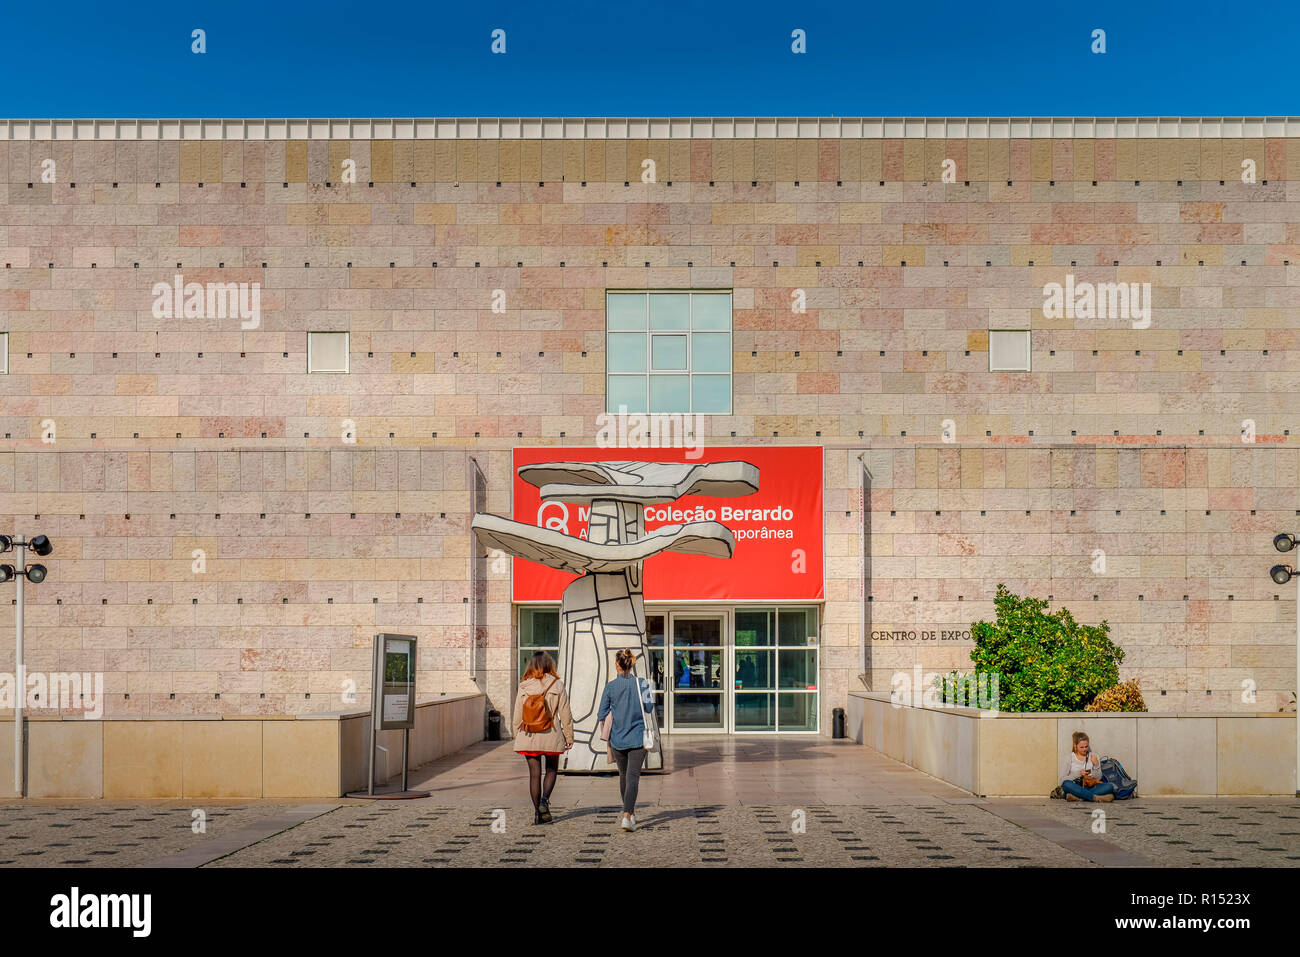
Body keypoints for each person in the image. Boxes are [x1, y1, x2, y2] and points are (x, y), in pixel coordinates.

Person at [597, 648, 655, 832]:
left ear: (617, 664)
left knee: (624, 776)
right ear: (631, 665)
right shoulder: (643, 684)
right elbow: (648, 708)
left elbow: (601, 713)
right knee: (633, 778)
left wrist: (616, 714)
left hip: (617, 739)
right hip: (638, 738)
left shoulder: (610, 687)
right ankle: (627, 815)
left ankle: (628, 813)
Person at [512, 651, 573, 825]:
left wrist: (518, 736)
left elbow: (517, 714)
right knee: (552, 769)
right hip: (551, 734)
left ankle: (537, 814)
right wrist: (569, 736)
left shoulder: (524, 685)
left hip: (529, 735)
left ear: (532, 665)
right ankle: (544, 801)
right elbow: (565, 713)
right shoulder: (557, 685)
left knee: (534, 775)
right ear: (549, 665)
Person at [1060, 731, 1115, 802]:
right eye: (1081, 747)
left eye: (1086, 746)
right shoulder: (1069, 758)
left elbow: (1098, 778)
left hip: (1090, 787)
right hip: (1075, 787)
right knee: (1066, 784)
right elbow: (1062, 780)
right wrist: (1078, 774)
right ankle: (1094, 798)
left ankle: (1078, 797)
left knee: (1109, 786)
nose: (1084, 749)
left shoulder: (1094, 756)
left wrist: (1096, 765)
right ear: (1075, 745)